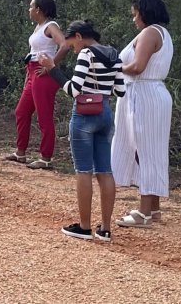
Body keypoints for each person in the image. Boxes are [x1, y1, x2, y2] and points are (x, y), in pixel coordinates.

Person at [39, 20, 125, 242]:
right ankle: (105, 228)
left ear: (78, 36)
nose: (73, 49)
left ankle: (85, 226)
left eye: (72, 45)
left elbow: (75, 90)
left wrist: (52, 70)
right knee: (105, 171)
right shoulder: (114, 53)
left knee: (84, 170)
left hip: (85, 114)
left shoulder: (86, 54)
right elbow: (120, 90)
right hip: (106, 112)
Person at [111, 0, 174, 227]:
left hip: (144, 95)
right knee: (150, 150)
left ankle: (144, 211)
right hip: (148, 94)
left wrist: (114, 67)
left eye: (136, 13)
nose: (134, 19)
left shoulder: (150, 33)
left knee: (146, 152)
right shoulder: (162, 33)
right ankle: (153, 208)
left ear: (145, 12)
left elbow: (137, 66)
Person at [7, 0, 69, 169]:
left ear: (39, 9)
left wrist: (52, 65)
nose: (29, 10)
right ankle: (20, 152)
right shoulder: (38, 27)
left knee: (44, 116)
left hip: (44, 74)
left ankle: (46, 157)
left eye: (31, 7)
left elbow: (64, 46)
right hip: (33, 72)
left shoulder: (51, 26)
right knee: (21, 111)